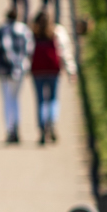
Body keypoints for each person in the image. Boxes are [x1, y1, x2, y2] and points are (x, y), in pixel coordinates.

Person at [29, 9, 76, 146]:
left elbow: (27, 51)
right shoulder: (57, 32)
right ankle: (52, 123)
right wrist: (71, 70)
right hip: (53, 69)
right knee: (53, 99)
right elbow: (65, 51)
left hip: (37, 70)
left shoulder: (33, 33)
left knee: (40, 100)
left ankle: (42, 127)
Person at [0, 13, 32, 145]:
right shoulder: (24, 30)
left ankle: (10, 129)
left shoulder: (1, 30)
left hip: (4, 70)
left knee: (7, 100)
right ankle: (16, 126)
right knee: (15, 99)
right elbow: (30, 49)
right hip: (20, 70)